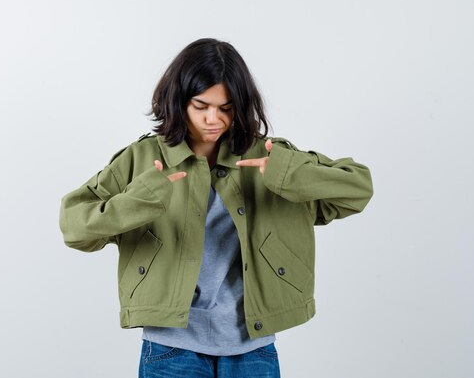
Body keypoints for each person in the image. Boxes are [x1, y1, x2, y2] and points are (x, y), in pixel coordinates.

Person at [59, 38, 373, 378]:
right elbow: (75, 227)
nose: (213, 119)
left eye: (225, 108)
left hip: (252, 347)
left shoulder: (267, 155)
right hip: (170, 348)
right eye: (201, 105)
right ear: (178, 102)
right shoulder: (142, 159)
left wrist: (287, 172)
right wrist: (140, 199)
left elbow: (357, 189)